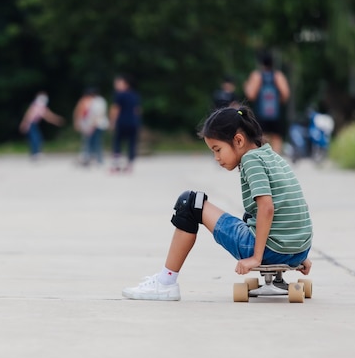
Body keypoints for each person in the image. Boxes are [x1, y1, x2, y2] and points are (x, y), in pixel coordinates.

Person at [122, 106, 312, 301]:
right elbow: (293, 203)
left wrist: (256, 258)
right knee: (248, 215)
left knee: (190, 203)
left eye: (218, 149)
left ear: (238, 140)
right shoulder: (272, 156)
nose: (217, 158)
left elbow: (267, 208)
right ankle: (165, 282)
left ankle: (166, 283)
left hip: (270, 251)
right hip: (297, 251)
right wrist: (299, 252)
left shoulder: (251, 160)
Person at [244, 52, 290, 154]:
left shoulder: (256, 76)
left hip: (261, 112)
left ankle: (263, 158)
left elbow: (251, 95)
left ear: (261, 64)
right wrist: (279, 102)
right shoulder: (278, 76)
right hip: (275, 113)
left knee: (261, 136)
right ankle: (277, 158)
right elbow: (286, 94)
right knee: (276, 136)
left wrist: (246, 86)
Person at [109, 74, 141, 173]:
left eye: (118, 83)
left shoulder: (119, 95)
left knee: (117, 142)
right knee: (132, 143)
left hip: (122, 122)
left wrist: (112, 122)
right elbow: (137, 110)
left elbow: (116, 109)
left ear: (125, 84)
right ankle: (129, 165)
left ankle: (116, 165)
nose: (116, 85)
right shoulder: (135, 95)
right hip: (133, 122)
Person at [19, 92, 64, 160]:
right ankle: (35, 153)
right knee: (36, 138)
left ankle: (34, 153)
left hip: (33, 124)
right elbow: (48, 117)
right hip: (31, 124)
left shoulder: (35, 105)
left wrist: (56, 120)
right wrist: (57, 120)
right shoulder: (39, 106)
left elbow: (47, 115)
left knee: (35, 138)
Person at [73, 87, 109, 166]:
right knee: (90, 142)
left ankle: (98, 160)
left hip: (97, 125)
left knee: (95, 143)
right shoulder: (95, 101)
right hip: (92, 125)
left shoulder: (98, 101)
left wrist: (92, 125)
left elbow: (98, 114)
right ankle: (90, 159)